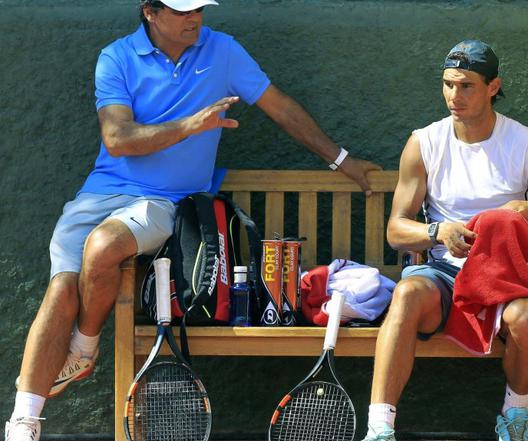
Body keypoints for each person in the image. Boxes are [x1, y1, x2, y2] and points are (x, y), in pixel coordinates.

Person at [4, 1, 381, 439]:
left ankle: (84, 350)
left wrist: (341, 159)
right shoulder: (117, 57)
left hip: (166, 202)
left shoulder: (223, 51)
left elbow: (280, 107)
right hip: (99, 193)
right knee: (62, 286)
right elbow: (117, 137)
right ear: (150, 12)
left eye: (199, 8)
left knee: (104, 246)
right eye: (182, 10)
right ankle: (23, 421)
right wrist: (191, 125)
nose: (194, 17)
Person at [361, 40, 528, 441]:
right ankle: (380, 430)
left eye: (466, 86)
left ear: (493, 86)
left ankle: (515, 419)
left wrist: (523, 210)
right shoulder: (424, 142)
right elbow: (396, 230)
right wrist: (437, 231)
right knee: (407, 294)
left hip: (508, 275)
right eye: (448, 84)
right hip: (444, 273)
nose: (454, 96)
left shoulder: (523, 142)